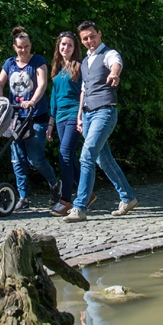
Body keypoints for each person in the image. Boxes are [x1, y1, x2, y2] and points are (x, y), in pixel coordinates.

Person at [63, 21, 137, 222]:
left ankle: (79, 207)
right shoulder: (85, 62)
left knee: (86, 156)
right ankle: (128, 197)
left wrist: (114, 73)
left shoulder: (108, 54)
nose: (89, 41)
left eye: (92, 36)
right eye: (85, 39)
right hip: (87, 114)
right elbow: (84, 90)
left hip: (104, 112)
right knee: (103, 159)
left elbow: (116, 63)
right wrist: (79, 115)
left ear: (99, 34)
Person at [0, 26, 60, 210]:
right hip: (15, 117)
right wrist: (1, 101)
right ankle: (23, 197)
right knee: (17, 159)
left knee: (35, 158)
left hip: (35, 116)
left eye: (27, 47)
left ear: (31, 46)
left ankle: (54, 184)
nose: (23, 50)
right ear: (14, 47)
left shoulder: (37, 61)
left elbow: (42, 83)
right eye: (20, 47)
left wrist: (32, 101)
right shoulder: (9, 63)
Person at [47, 31, 83, 217]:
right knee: (69, 158)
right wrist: (50, 124)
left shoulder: (79, 67)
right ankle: (88, 193)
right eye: (63, 44)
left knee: (65, 155)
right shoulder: (56, 68)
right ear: (58, 47)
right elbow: (54, 98)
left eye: (69, 45)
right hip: (60, 118)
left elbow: (85, 93)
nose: (65, 48)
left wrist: (81, 116)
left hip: (73, 115)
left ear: (75, 48)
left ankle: (66, 200)